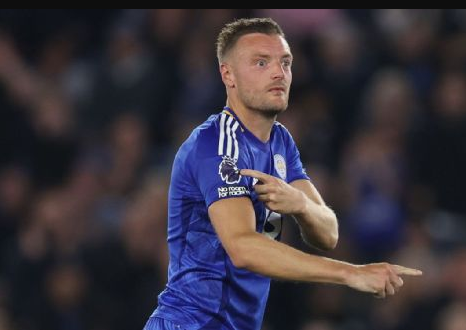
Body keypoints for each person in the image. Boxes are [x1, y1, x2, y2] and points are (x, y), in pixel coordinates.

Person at [144, 17, 422, 330]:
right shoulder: (216, 144)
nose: (279, 72)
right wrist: (350, 273)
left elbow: (328, 232)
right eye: (261, 63)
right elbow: (243, 248)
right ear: (228, 74)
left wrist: (301, 206)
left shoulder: (280, 141)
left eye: (285, 62)